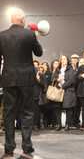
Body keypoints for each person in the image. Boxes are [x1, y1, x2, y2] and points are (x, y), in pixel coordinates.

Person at [0, 8, 43, 159]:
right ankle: (27, 149)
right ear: (22, 19)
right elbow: (39, 53)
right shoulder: (29, 34)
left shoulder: (2, 35)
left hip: (8, 79)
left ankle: (9, 150)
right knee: (27, 113)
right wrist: (36, 37)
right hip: (26, 79)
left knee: (9, 113)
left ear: (11, 19)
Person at [62, 56, 78, 131]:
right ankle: (69, 124)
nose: (63, 61)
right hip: (66, 90)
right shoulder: (66, 69)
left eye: (64, 59)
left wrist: (63, 85)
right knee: (68, 108)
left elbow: (71, 80)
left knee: (69, 108)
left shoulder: (71, 69)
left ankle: (68, 124)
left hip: (69, 90)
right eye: (62, 59)